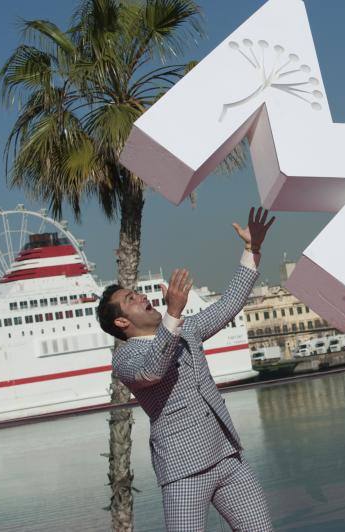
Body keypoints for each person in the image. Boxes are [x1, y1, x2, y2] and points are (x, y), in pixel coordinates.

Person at [97, 207, 276, 531]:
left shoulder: (185, 329)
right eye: (130, 299)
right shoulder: (125, 360)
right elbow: (153, 370)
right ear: (122, 322)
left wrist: (252, 250)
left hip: (226, 455)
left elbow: (227, 306)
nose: (140, 296)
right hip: (183, 470)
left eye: (136, 292)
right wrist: (174, 313)